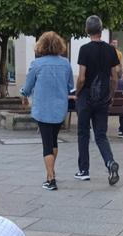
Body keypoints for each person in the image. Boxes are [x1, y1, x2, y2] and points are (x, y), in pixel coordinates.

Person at [20, 32, 73, 191]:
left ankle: (51, 179)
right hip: (59, 109)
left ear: (41, 45)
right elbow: (70, 86)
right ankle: (51, 171)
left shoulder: (36, 64)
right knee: (54, 140)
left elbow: (28, 86)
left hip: (42, 109)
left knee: (46, 144)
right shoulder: (65, 63)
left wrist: (23, 94)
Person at [75, 15, 121, 185]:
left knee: (83, 133)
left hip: (86, 96)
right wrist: (111, 94)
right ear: (101, 30)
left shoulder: (84, 49)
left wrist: (78, 92)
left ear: (87, 30)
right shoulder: (111, 50)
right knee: (101, 134)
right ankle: (110, 162)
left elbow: (81, 78)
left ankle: (84, 170)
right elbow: (115, 77)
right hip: (103, 96)